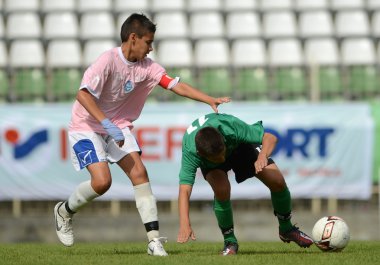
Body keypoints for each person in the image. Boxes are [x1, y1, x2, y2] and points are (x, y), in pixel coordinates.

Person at [53, 13, 230, 256]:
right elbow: (82, 95)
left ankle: (154, 241)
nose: (151, 48)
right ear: (133, 38)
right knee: (102, 182)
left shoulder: (148, 67)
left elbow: (175, 84)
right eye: (148, 42)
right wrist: (105, 122)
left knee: (139, 172)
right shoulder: (107, 61)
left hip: (117, 125)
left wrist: (208, 99)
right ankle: (64, 211)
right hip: (86, 126)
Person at [176, 113, 313, 255]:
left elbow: (270, 137)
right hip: (213, 160)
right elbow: (184, 191)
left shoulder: (230, 127)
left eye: (222, 153)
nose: (222, 159)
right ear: (200, 154)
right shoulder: (191, 151)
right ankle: (230, 242)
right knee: (222, 189)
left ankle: (287, 229)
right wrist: (185, 223)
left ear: (222, 139)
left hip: (237, 147)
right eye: (218, 158)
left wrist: (262, 156)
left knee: (277, 180)